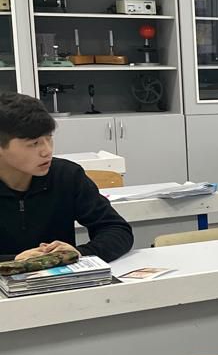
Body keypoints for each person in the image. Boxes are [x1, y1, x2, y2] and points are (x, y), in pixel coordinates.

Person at [0, 92, 134, 263]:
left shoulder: (66, 175)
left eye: (49, 138)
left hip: (64, 277)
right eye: (34, 143)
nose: (47, 151)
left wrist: (80, 253)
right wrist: (14, 262)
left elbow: (116, 229)